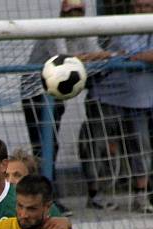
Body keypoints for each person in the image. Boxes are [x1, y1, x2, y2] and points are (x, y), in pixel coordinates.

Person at [20, 0, 115, 214]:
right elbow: (64, 59)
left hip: (55, 95)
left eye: (78, 11)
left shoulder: (82, 31)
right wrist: (89, 57)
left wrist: (93, 56)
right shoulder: (55, 30)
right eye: (70, 11)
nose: (74, 15)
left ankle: (45, 198)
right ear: (62, 13)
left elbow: (99, 52)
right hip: (35, 94)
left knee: (51, 146)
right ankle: (45, 200)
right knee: (43, 147)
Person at [89, 0, 153, 213]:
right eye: (137, 7)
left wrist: (132, 56)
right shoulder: (121, 27)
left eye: (146, 7)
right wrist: (131, 56)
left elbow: (133, 55)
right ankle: (99, 194)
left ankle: (141, 196)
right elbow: (111, 54)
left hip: (142, 98)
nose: (141, 11)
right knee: (104, 146)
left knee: (141, 146)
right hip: (109, 95)